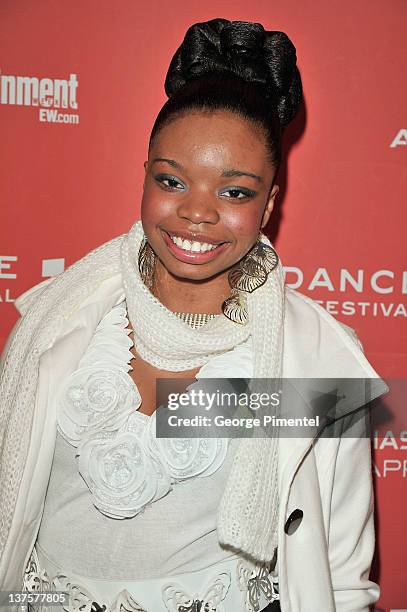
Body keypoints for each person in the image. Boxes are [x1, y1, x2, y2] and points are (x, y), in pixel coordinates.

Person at [0, 17, 388, 612]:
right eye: (172, 180)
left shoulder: (315, 358)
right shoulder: (59, 322)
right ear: (146, 177)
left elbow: (342, 579)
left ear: (270, 203)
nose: (197, 213)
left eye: (234, 191)